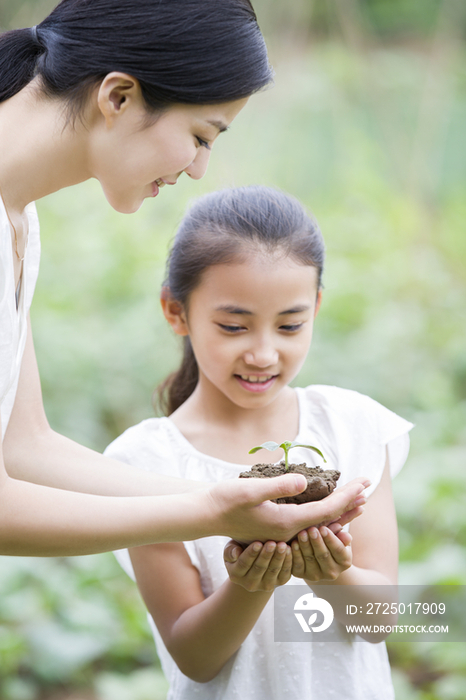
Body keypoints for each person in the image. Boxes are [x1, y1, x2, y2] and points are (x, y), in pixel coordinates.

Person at [0, 0, 368, 557]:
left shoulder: (19, 219)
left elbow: (26, 449)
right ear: (118, 96)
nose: (199, 169)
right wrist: (210, 513)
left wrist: (231, 501)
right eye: (201, 136)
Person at [106, 186, 414, 699]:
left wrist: (331, 575)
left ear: (315, 307)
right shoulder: (142, 463)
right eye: (233, 326)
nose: (264, 354)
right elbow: (196, 658)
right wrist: (251, 582)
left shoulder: (353, 426)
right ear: (175, 311)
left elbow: (379, 620)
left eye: (290, 325)